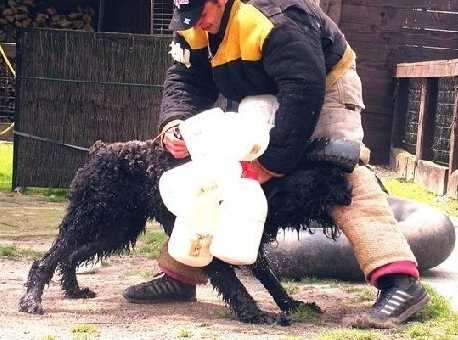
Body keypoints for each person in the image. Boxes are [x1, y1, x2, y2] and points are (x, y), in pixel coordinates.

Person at [122, 0, 429, 328]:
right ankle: (181, 273)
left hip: (322, 86)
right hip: (259, 97)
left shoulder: (274, 16)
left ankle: (399, 281)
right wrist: (175, 123)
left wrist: (271, 163)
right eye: (187, 17)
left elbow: (303, 88)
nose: (195, 24)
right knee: (217, 172)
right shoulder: (193, 24)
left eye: (201, 15)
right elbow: (185, 80)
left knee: (339, 171)